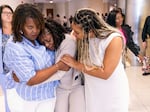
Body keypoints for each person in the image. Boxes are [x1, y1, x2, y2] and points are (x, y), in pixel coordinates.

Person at [61, 8, 129, 112]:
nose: (74, 34)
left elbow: (105, 73)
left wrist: (76, 64)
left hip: (112, 90)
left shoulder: (114, 39)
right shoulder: (84, 39)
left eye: (77, 32)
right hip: (92, 90)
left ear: (90, 30)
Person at [3, 3, 67, 112]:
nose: (35, 31)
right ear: (20, 25)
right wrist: (58, 66)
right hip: (26, 99)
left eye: (38, 26)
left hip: (47, 95)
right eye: (30, 27)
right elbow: (31, 79)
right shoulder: (15, 46)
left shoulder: (40, 38)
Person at [38, 19, 85, 112]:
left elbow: (62, 69)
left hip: (75, 86)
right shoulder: (52, 46)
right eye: (43, 43)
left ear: (54, 33)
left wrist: (36, 79)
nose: (47, 45)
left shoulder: (68, 41)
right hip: (60, 87)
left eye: (48, 40)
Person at [0, 4, 13, 74]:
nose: (8, 15)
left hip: (19, 71)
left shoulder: (19, 32)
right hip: (4, 73)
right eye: (5, 13)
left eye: (10, 13)